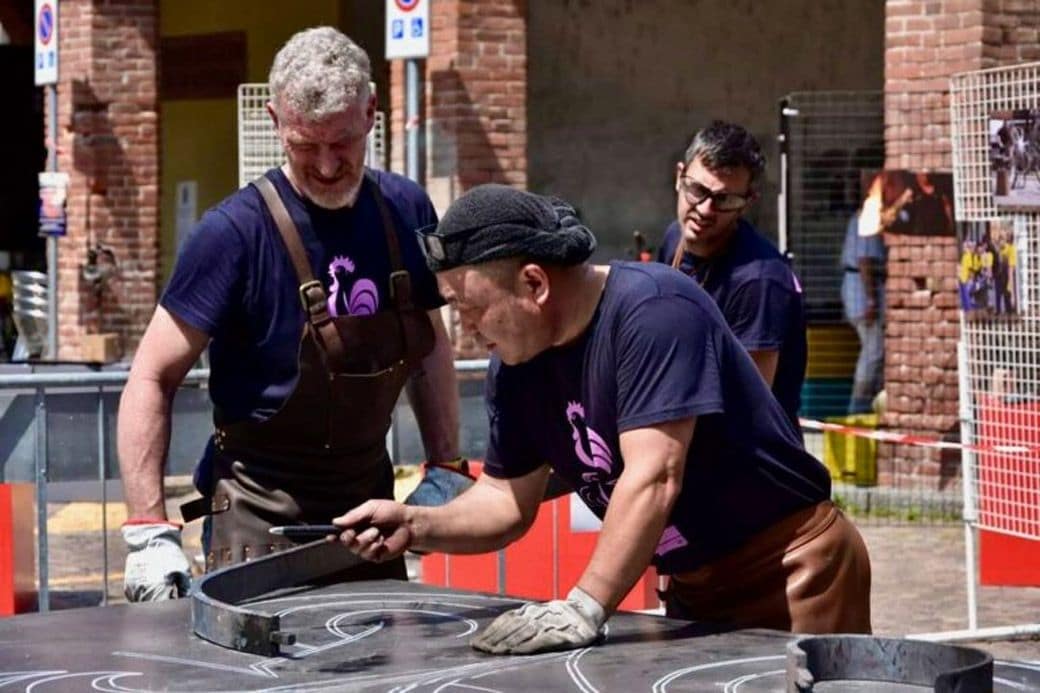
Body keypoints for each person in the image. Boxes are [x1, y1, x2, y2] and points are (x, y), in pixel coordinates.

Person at [334, 184, 872, 655]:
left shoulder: (655, 311)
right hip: (692, 583)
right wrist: (415, 524)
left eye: (472, 307)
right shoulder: (515, 366)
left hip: (790, 567)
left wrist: (583, 607)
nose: (468, 330)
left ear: (534, 285)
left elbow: (655, 476)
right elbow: (504, 502)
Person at [116, 27, 471, 602]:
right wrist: (147, 529)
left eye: (344, 142)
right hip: (257, 520)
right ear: (275, 120)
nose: (328, 166)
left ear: (372, 114)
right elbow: (152, 376)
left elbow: (428, 348)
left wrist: (446, 465)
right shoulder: (232, 233)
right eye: (307, 146)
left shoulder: (406, 209)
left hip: (371, 513)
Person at [656, 121, 807, 432]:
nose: (706, 209)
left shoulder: (761, 280)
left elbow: (749, 403)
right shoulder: (675, 238)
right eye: (697, 190)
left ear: (747, 202)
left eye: (724, 199)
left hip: (753, 464)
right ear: (678, 176)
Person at [841, 210, 886, 415]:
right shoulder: (866, 219)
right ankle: (858, 404)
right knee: (873, 349)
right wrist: (871, 299)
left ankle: (868, 403)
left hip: (861, 286)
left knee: (874, 348)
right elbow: (865, 261)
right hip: (861, 288)